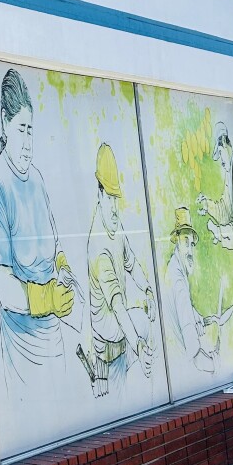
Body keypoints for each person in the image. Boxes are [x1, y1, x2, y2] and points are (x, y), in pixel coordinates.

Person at [0, 69, 78, 379]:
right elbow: (4, 287)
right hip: (23, 349)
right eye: (21, 129)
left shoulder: (36, 179)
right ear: (4, 122)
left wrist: (63, 267)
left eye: (31, 130)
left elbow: (55, 244)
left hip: (54, 337)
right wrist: (47, 298)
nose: (27, 142)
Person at [83, 144, 156, 396]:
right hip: (109, 352)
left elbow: (131, 262)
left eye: (117, 199)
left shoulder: (115, 225)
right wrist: (139, 346)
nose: (115, 207)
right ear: (99, 195)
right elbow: (117, 306)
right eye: (110, 198)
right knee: (119, 397)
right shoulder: (98, 248)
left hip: (121, 341)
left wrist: (147, 289)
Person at [164, 206, 233, 373]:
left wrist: (206, 320)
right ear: (177, 241)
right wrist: (215, 364)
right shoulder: (178, 280)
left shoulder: (176, 269)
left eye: (192, 244)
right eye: (185, 242)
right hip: (180, 365)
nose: (190, 250)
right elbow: (195, 356)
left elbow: (187, 311)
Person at [197, 121, 233, 250]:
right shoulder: (230, 171)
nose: (221, 161)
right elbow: (225, 210)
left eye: (220, 153)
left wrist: (218, 231)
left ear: (224, 144)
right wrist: (207, 204)